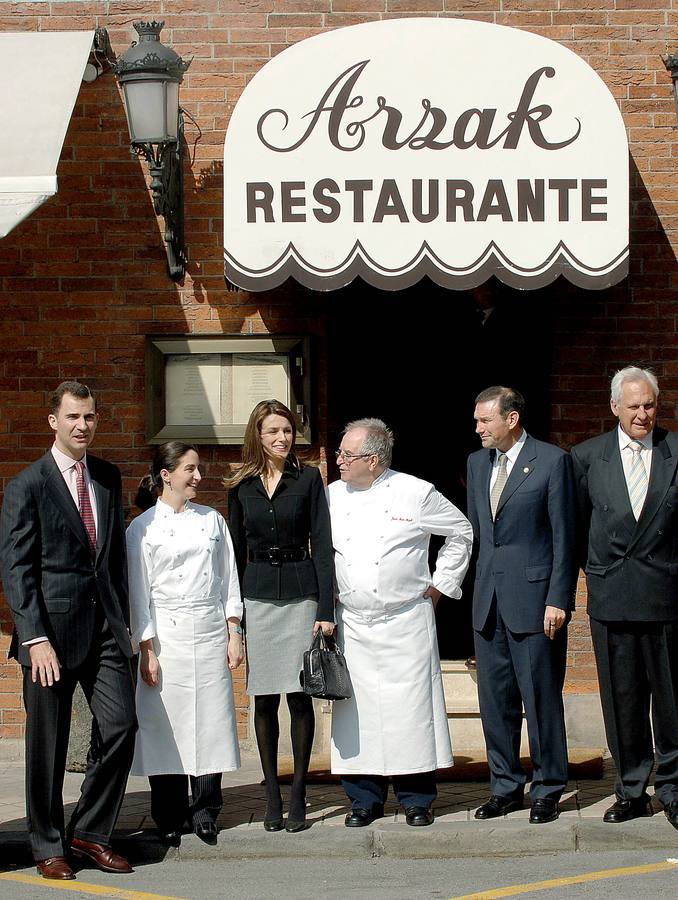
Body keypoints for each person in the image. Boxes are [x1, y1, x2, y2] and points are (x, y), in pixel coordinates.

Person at [0, 381, 136, 881]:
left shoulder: (107, 476)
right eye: (74, 417)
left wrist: (126, 623)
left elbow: (113, 558)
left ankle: (90, 833)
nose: (83, 425)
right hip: (50, 638)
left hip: (105, 630)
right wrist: (33, 637)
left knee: (122, 727)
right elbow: (16, 568)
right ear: (53, 421)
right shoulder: (28, 484)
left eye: (90, 417)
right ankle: (47, 844)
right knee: (48, 747)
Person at [328, 418, 472, 827]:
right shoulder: (331, 496)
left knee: (412, 713)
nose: (338, 460)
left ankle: (416, 799)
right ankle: (363, 799)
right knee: (357, 715)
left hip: (406, 621)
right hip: (353, 623)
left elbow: (461, 532)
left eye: (346, 454)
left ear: (373, 460)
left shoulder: (416, 492)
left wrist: (441, 586)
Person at [571, 366, 678, 830]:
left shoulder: (675, 451)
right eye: (633, 406)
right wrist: (600, 572)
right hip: (612, 595)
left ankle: (673, 789)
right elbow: (577, 528)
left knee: (672, 701)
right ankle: (631, 791)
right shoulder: (586, 457)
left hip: (666, 596)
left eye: (649, 405)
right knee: (622, 699)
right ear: (614, 406)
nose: (642, 414)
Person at [467, 386, 577, 825]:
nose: (478, 428)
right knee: (496, 703)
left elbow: (565, 537)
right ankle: (505, 787)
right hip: (488, 602)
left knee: (540, 700)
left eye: (485, 421)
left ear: (511, 419)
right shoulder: (477, 464)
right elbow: (478, 535)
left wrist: (558, 598)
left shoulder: (552, 461)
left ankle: (548, 787)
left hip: (535, 602)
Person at [126, 442, 244, 845]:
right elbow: (138, 593)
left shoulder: (212, 521)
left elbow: (229, 577)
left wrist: (234, 631)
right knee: (165, 725)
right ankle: (169, 812)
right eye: (190, 469)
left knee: (211, 720)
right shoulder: (141, 529)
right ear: (166, 474)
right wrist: (146, 649)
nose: (198, 476)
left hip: (209, 629)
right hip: (166, 635)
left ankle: (206, 809)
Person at [226, 400, 334, 833]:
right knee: (265, 697)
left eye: (287, 431)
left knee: (300, 696)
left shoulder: (308, 478)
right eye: (272, 431)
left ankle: (299, 794)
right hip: (257, 597)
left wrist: (326, 609)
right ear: (258, 434)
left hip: (302, 594)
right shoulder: (241, 485)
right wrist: (234, 619)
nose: (281, 438)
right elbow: (233, 554)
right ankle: (271, 795)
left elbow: (322, 546)